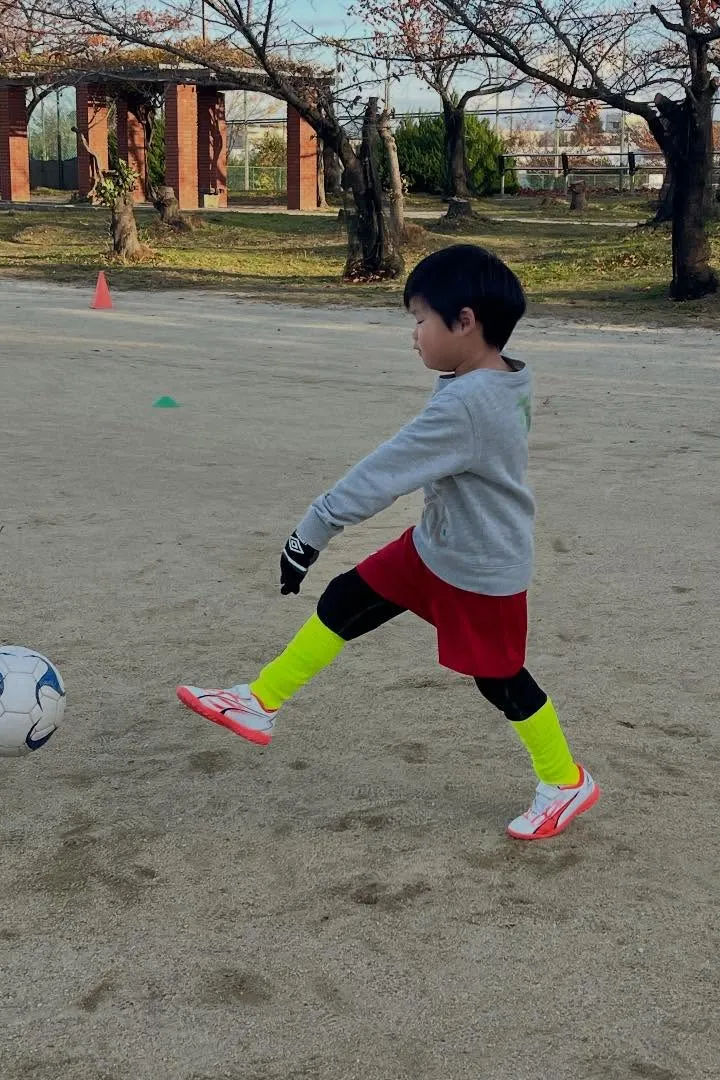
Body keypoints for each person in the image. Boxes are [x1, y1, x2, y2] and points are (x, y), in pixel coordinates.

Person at [177, 243, 597, 840]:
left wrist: (311, 531)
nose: (414, 336)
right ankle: (260, 701)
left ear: (465, 321)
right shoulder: (498, 375)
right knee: (347, 598)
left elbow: (385, 472)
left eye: (420, 320)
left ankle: (564, 780)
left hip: (480, 566)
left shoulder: (468, 403)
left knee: (500, 679)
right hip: (436, 547)